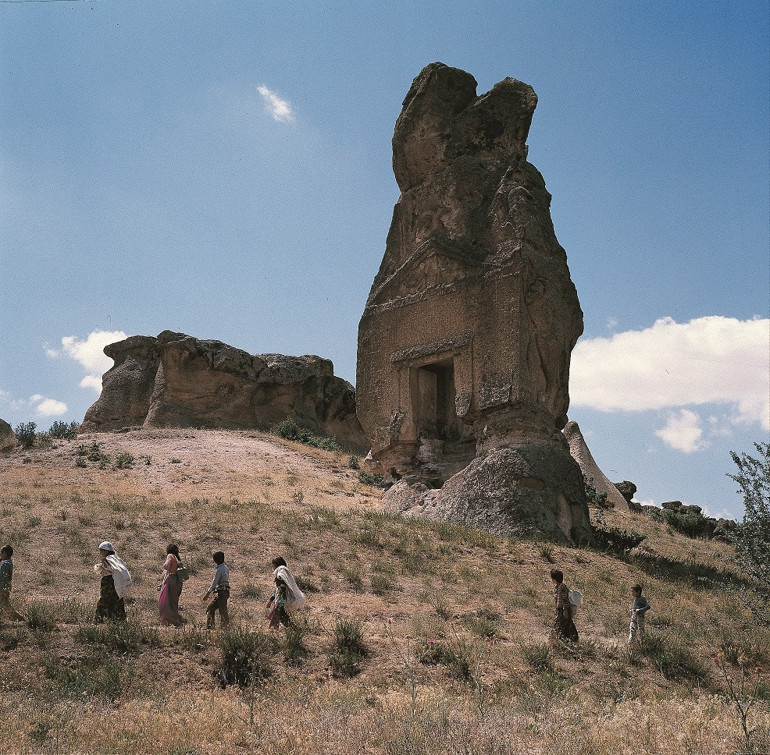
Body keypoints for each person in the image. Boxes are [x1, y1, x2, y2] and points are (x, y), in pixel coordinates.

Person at [94, 541, 131, 622]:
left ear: (106, 551)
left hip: (109, 582)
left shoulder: (107, 559)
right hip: (116, 582)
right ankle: (118, 619)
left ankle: (99, 619)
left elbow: (110, 569)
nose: (100, 552)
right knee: (116, 599)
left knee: (104, 600)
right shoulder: (116, 559)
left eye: (102, 550)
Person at [266, 556, 305, 629]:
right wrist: (271, 601)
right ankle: (290, 628)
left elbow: (281, 590)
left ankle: (294, 629)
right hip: (280, 599)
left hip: (281, 599)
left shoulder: (280, 577)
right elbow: (277, 590)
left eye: (274, 565)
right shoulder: (281, 576)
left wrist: (278, 601)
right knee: (280, 615)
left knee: (281, 615)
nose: (273, 567)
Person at [158, 543, 186, 626]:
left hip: (172, 579)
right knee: (174, 601)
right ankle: (175, 619)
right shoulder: (177, 558)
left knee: (165, 600)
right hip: (178, 581)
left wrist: (165, 566)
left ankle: (168, 619)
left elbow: (166, 566)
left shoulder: (170, 556)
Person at [203, 550, 230, 630]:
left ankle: (224, 628)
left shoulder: (219, 570)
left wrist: (207, 594)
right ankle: (212, 627)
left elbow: (214, 582)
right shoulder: (225, 568)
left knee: (221, 611)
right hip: (225, 592)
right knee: (214, 609)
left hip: (222, 593)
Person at [551, 568, 578, 643]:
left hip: (563, 610)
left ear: (555, 579)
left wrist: (565, 610)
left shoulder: (561, 587)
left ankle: (563, 641)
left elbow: (564, 599)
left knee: (562, 625)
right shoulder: (558, 587)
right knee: (564, 625)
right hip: (561, 610)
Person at [0, 545, 22, 621]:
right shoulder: (9, 562)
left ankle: (19, 618)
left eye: (1, 553)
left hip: (3, 586)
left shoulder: (5, 564)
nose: (0, 555)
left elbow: (4, 577)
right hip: (7, 585)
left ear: (4, 553)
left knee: (5, 604)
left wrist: (3, 587)